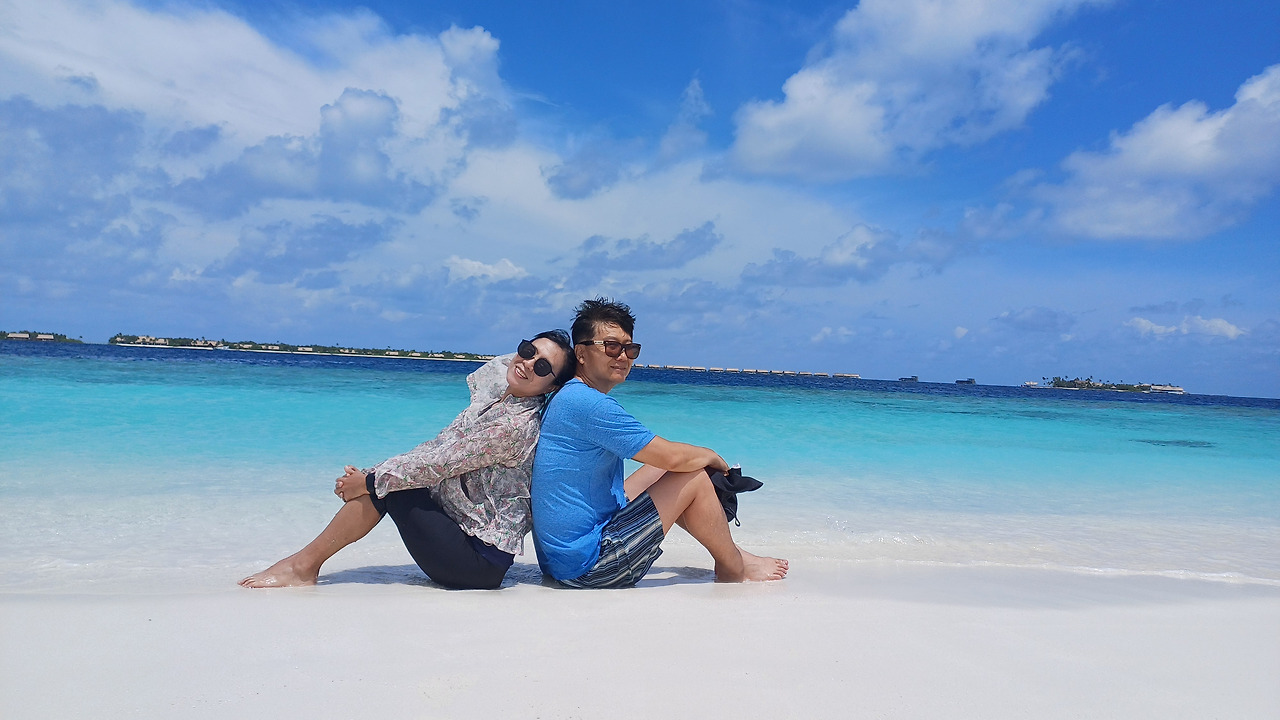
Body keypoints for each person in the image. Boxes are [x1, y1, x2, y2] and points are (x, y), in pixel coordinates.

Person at [240, 331, 576, 590]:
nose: (528, 363)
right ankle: (303, 565)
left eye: (542, 366)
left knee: (393, 488)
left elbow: (439, 464)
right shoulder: (495, 403)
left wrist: (370, 481)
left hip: (478, 563)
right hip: (461, 536)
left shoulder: (513, 426)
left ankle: (302, 567)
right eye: (528, 351)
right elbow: (435, 448)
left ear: (551, 386)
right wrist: (371, 474)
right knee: (389, 481)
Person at [531, 298, 788, 587]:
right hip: (589, 568)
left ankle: (735, 552)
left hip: (560, 559)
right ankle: (733, 569)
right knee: (693, 477)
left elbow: (664, 461)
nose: (623, 356)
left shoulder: (569, 395)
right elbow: (671, 456)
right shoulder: (588, 404)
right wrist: (713, 457)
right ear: (581, 353)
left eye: (630, 349)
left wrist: (699, 458)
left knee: (663, 471)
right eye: (611, 346)